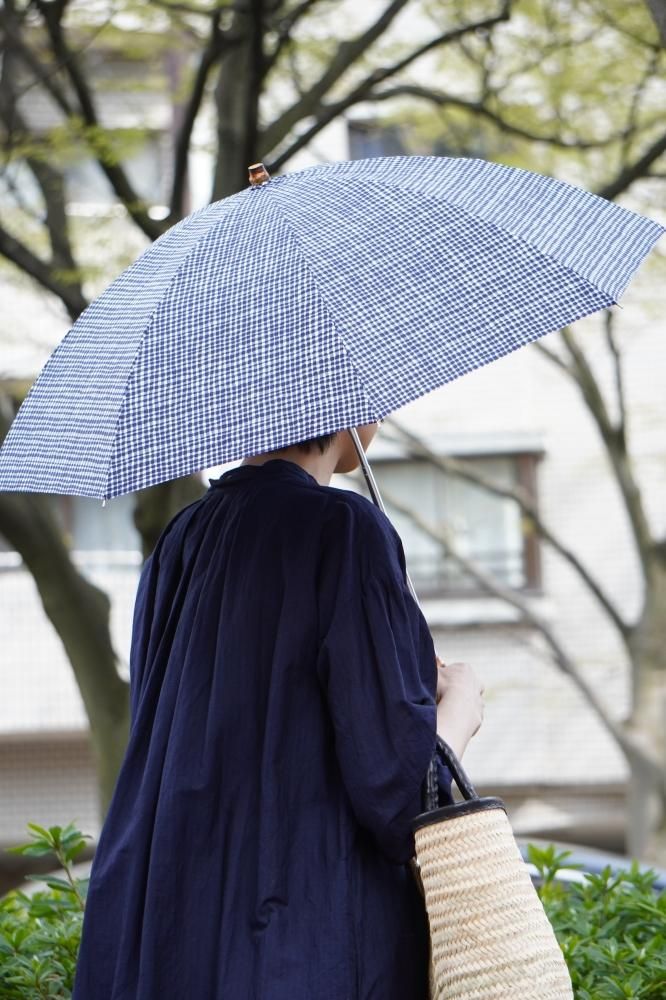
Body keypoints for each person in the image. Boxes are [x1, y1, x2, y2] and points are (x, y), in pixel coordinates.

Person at [71, 420, 485, 1000]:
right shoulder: (345, 529)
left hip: (165, 928)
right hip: (301, 935)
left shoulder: (180, 540)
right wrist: (459, 709)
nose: (382, 417)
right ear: (338, 400)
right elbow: (401, 796)